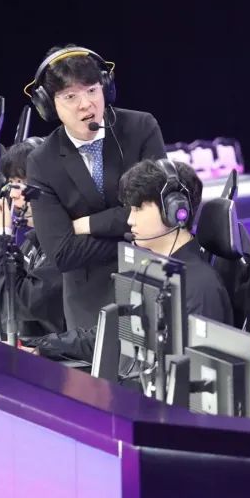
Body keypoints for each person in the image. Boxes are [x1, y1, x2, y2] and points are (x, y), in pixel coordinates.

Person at [31, 159, 232, 362]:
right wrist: (45, 346)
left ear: (174, 211)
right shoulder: (154, 269)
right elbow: (114, 335)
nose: (129, 220)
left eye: (138, 209)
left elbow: (198, 371)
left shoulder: (199, 286)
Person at [24, 45, 166, 331]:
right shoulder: (41, 161)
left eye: (92, 90)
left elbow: (160, 213)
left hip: (153, 282)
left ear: (106, 88)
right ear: (49, 105)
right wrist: (132, 233)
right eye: (70, 96)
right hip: (89, 306)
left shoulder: (141, 128)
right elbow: (62, 253)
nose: (86, 104)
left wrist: (87, 224)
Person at [0, 137, 65, 339]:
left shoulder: (64, 246)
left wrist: (2, 237)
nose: (14, 195)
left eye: (23, 183)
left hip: (53, 354)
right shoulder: (33, 239)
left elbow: (16, 304)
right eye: (11, 183)